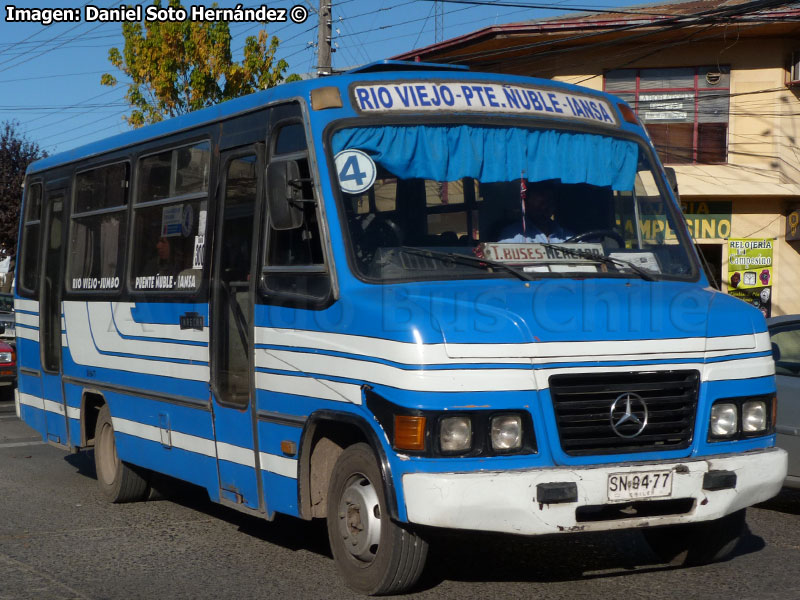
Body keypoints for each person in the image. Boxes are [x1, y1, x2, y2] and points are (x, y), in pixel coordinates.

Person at [498, 179, 572, 243]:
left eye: (548, 202)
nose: (544, 208)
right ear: (527, 204)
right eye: (540, 203)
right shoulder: (512, 235)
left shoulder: (567, 236)